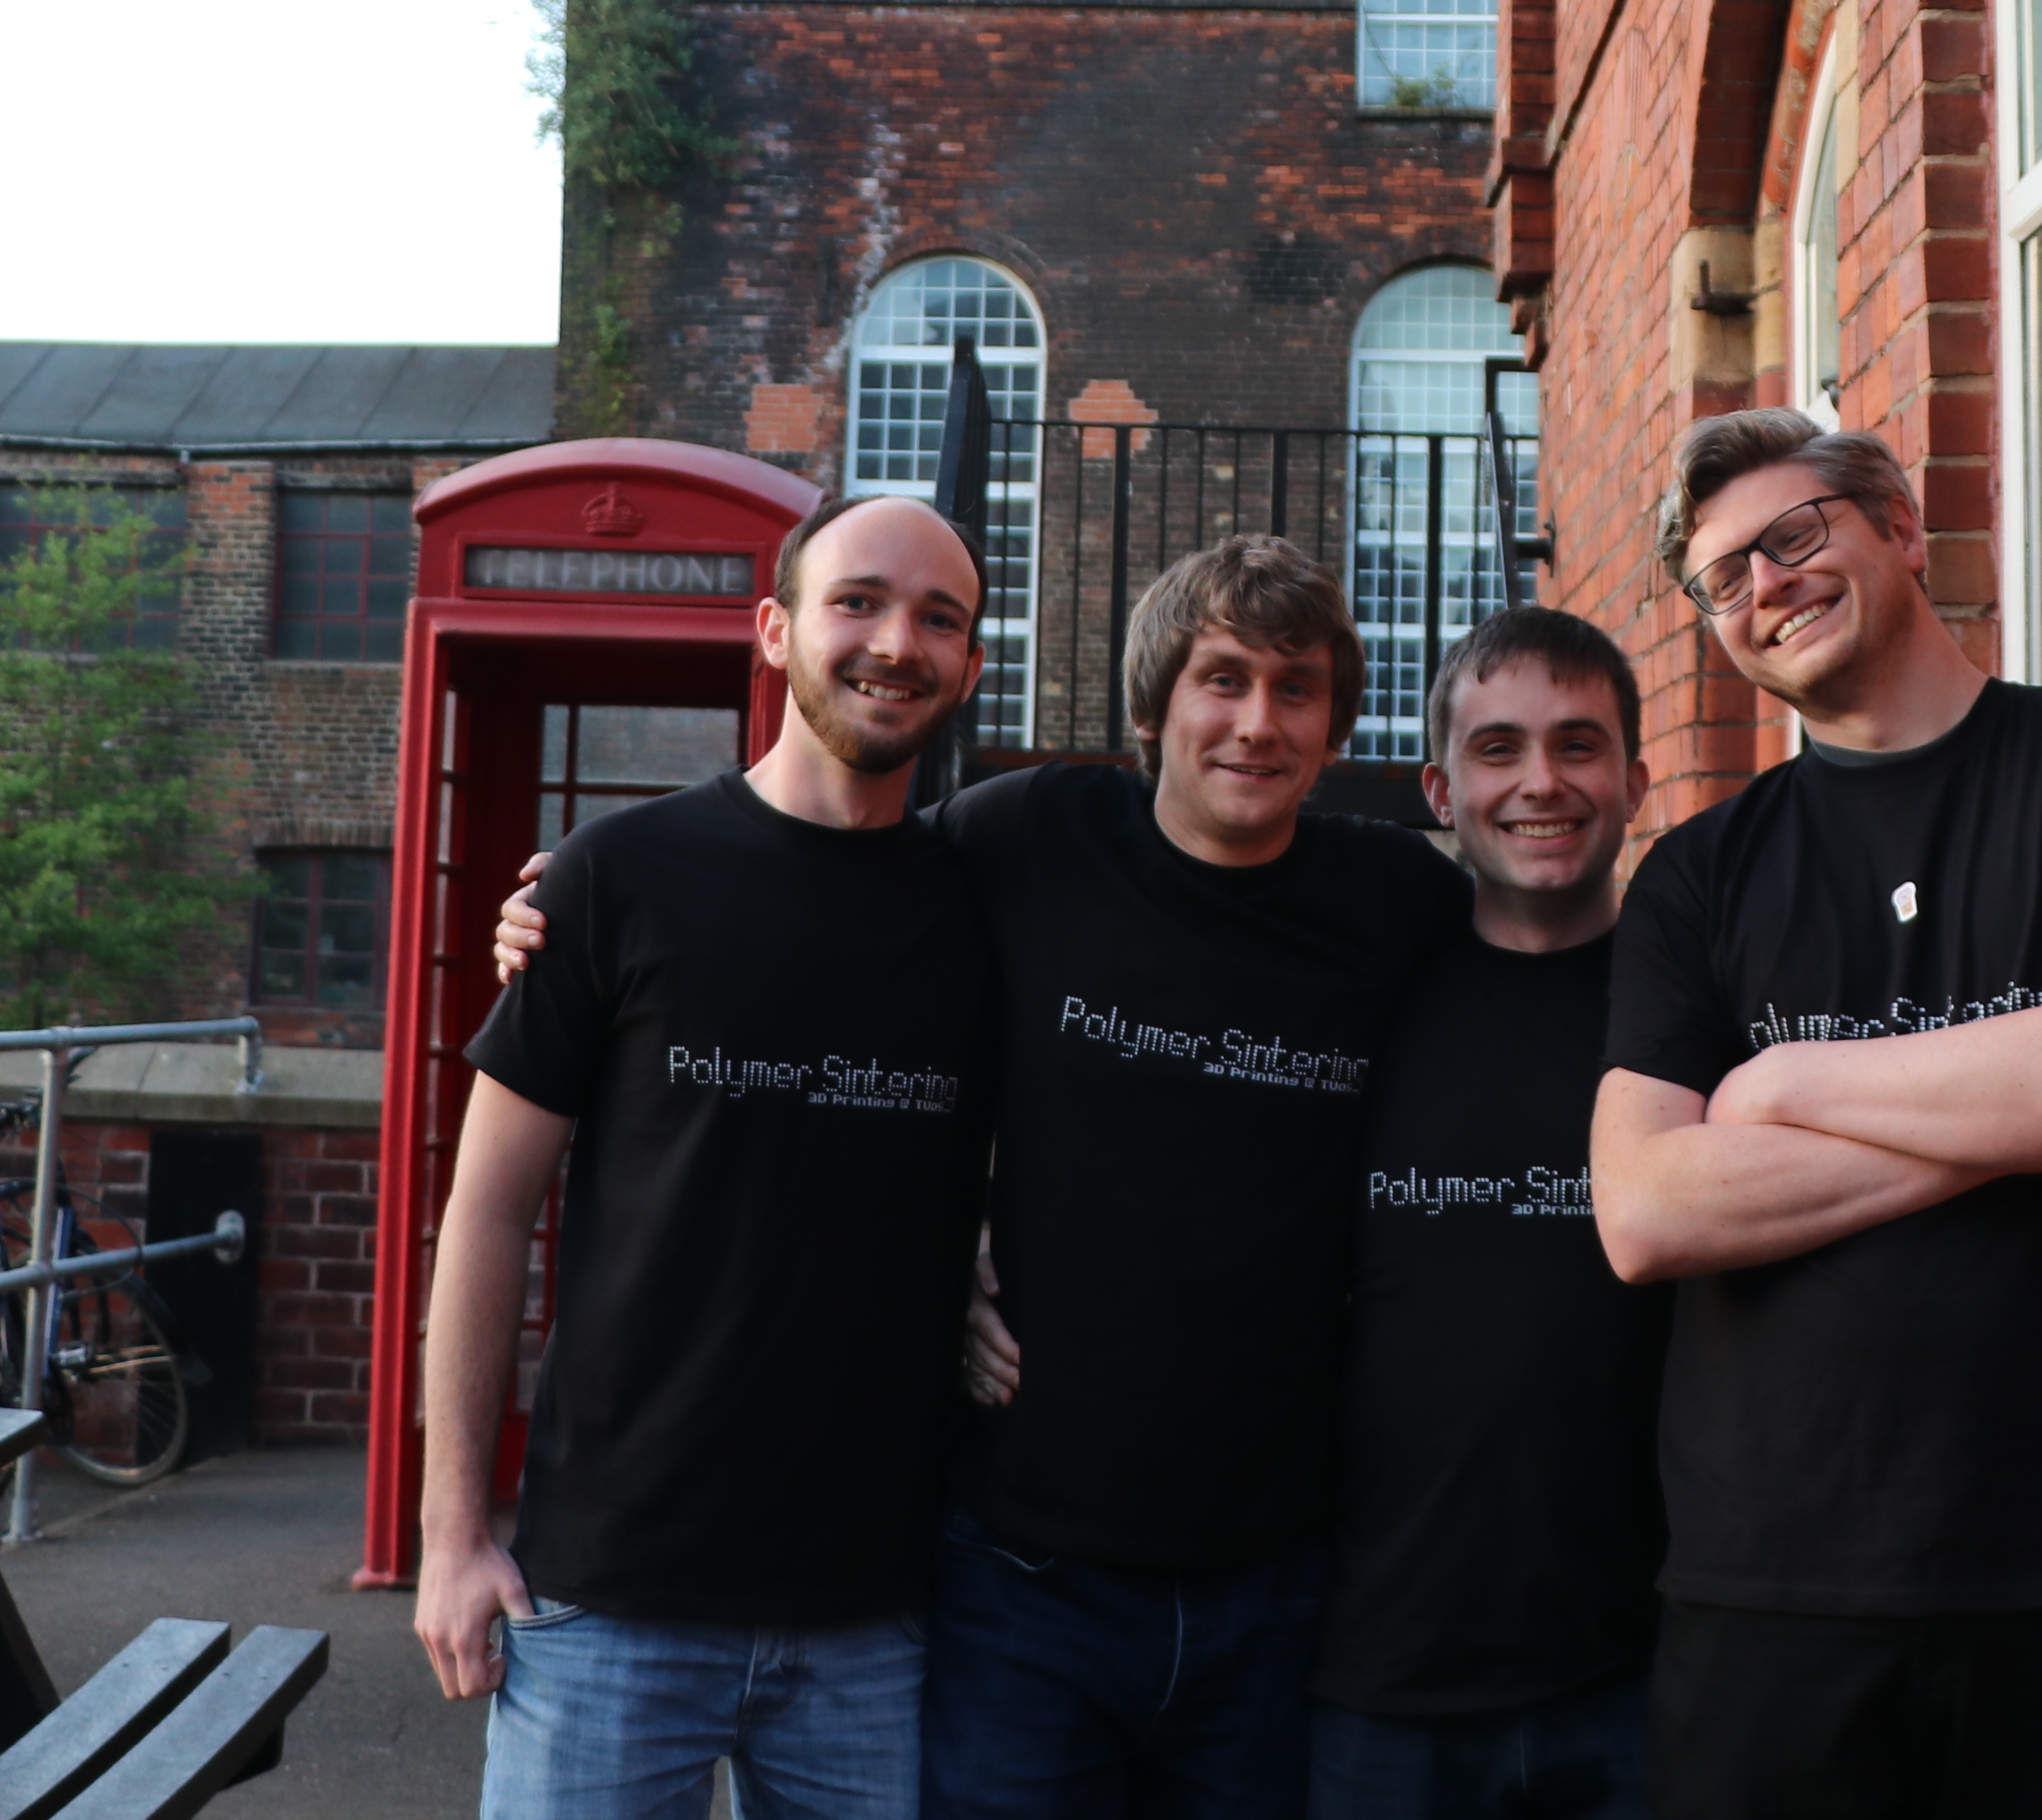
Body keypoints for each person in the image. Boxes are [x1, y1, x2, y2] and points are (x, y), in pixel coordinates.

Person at [500, 533, 1467, 1820]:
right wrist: (577, 897)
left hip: (1276, 1579)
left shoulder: (1399, 900)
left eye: (1296, 688)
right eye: (1221, 680)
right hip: (1022, 1581)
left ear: (1337, 722)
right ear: (1155, 705)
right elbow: (818, 891)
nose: (1255, 721)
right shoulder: (1029, 834)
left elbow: (1534, 994)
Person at [1589, 410, 2042, 1820]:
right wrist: (2012, 1124)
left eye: (1794, 535)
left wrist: (1783, 1090)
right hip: (1768, 1591)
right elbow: (1647, 1213)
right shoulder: (1698, 879)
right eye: (1725, 577)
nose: (1764, 585)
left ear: (1900, 527)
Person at [410, 488, 1000, 1820]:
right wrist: (452, 1533)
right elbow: (489, 1206)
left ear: (974, 664)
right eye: (857, 602)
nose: (895, 640)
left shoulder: (989, 907)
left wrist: (978, 1262)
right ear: (774, 632)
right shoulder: (617, 879)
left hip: (878, 1617)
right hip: (610, 1600)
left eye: (938, 617)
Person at [1301, 603, 1669, 1820]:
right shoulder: (1363, 991)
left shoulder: (1695, 1011)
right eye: (1499, 748)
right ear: (1440, 792)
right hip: (1382, 1678)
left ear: (1635, 778)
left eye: (1579, 743)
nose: (1542, 782)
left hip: (1647, 1669)